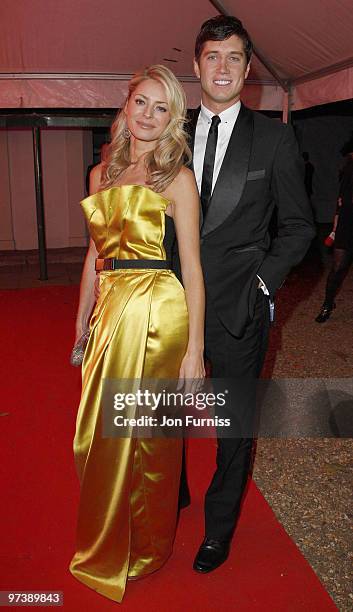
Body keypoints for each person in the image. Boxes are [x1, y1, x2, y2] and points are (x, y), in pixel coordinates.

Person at [69, 64, 205, 603]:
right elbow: (93, 252)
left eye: (161, 107)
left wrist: (195, 350)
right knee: (94, 433)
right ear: (125, 107)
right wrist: (81, 314)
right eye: (141, 103)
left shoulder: (177, 177)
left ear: (173, 119)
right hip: (109, 309)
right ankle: (111, 531)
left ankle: (145, 546)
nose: (148, 115)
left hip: (157, 310)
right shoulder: (100, 174)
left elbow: (192, 267)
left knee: (145, 435)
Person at [185, 16, 315, 574]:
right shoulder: (170, 130)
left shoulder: (275, 137)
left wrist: (262, 284)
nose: (222, 67)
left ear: (247, 68)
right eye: (212, 56)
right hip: (170, 304)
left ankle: (218, 529)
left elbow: (299, 227)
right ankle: (170, 498)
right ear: (196, 66)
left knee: (234, 426)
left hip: (240, 309)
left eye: (233, 57)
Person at [315, 137, 353, 323]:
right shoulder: (349, 169)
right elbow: (341, 200)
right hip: (347, 223)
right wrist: (336, 225)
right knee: (338, 267)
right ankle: (328, 303)